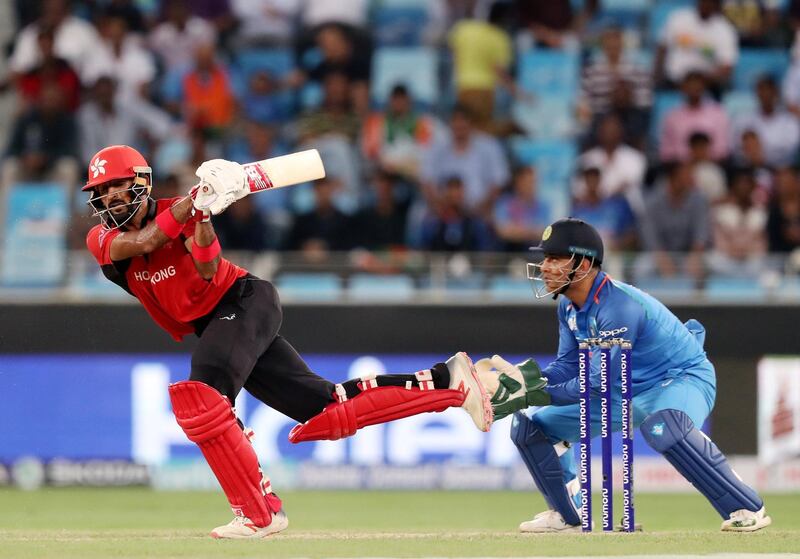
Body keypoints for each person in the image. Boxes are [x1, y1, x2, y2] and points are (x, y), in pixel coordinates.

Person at [82, 144, 492, 539]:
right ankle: (449, 382)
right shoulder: (100, 239)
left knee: (202, 395)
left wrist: (203, 215)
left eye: (116, 184)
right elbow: (146, 242)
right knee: (326, 410)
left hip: (244, 302)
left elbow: (207, 268)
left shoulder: (181, 213)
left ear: (141, 181)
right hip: (218, 325)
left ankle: (258, 514)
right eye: (101, 191)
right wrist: (197, 200)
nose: (109, 196)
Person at [472, 217, 772, 533]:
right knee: (531, 426)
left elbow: (593, 382)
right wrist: (525, 381)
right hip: (623, 389)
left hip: (680, 378)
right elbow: (569, 367)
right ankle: (568, 515)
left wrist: (531, 391)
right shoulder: (569, 307)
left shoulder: (618, 307)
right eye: (545, 258)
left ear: (583, 263)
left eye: (555, 258)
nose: (545, 266)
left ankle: (745, 506)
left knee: (662, 427)